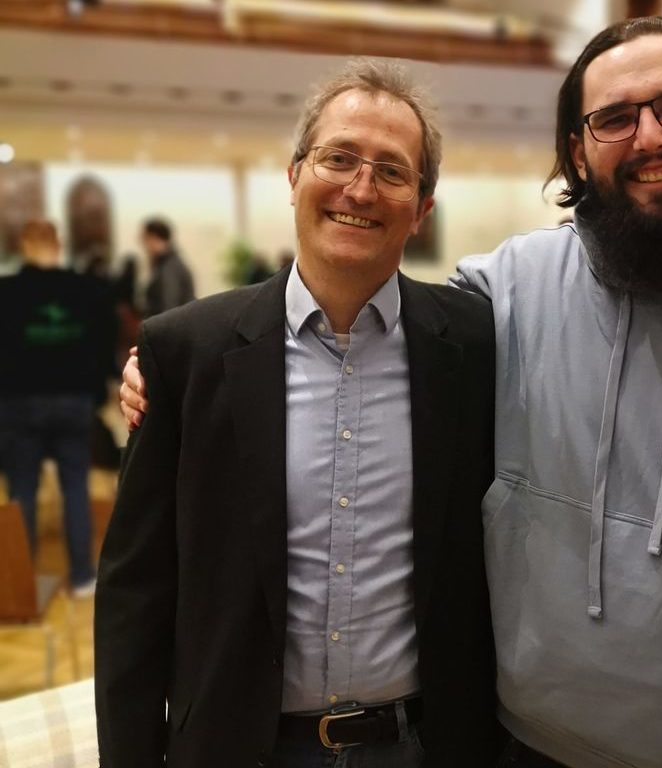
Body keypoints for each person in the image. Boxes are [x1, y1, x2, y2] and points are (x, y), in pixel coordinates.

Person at [122, 18, 662, 768]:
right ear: (578, 151)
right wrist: (180, 367)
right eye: (614, 118)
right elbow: (371, 316)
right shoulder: (515, 290)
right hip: (522, 752)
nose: (649, 136)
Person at [97, 60, 500, 768]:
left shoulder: (473, 346)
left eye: (392, 171)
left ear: (422, 209)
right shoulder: (186, 352)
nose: (360, 189)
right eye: (338, 158)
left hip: (420, 745)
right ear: (294, 176)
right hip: (236, 747)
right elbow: (136, 593)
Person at [0, 219, 116, 596]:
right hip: (73, 400)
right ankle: (82, 577)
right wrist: (96, 391)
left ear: (23, 246)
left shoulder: (7, 293)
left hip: (18, 402)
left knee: (22, 489)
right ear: (58, 244)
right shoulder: (85, 291)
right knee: (76, 488)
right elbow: (105, 343)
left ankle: (23, 582)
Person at [139, 216, 195, 316]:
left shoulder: (169, 267)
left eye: (146, 239)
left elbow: (169, 307)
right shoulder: (168, 263)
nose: (144, 245)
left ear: (154, 238)